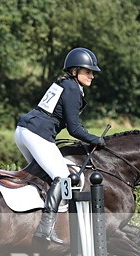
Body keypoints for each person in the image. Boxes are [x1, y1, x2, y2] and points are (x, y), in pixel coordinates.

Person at [15, 47, 106, 244]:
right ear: (74, 71)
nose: (92, 76)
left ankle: (28, 218)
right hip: (37, 134)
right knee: (63, 176)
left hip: (23, 131)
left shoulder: (63, 83)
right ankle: (45, 229)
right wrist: (95, 139)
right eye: (87, 71)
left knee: (42, 176)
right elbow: (74, 129)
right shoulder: (72, 88)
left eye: (92, 72)